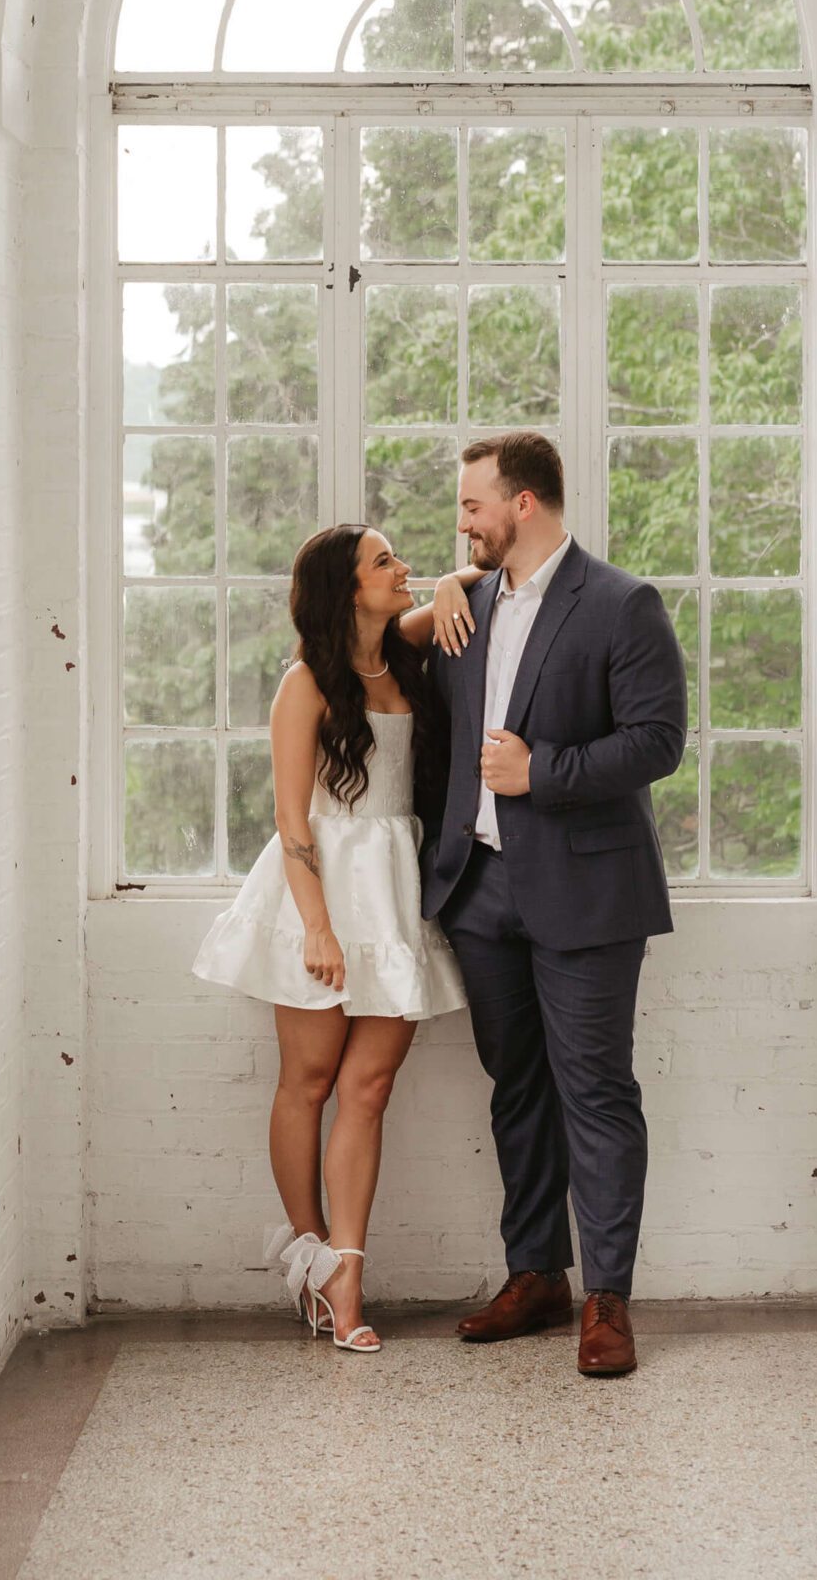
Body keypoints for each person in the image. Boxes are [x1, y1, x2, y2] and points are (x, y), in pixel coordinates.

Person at [421, 431, 687, 1378]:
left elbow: (658, 743)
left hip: (588, 892)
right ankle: (535, 1275)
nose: (464, 521)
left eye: (473, 505)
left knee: (597, 1093)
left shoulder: (622, 605)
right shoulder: (468, 605)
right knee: (518, 1089)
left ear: (523, 502)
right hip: (481, 892)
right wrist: (449, 583)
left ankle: (607, 1299)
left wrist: (545, 773)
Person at [192, 524, 475, 1352]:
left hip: (392, 886)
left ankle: (348, 1270)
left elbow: (470, 577)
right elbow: (290, 819)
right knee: (309, 1082)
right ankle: (313, 1264)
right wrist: (316, 927)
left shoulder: (405, 653)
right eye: (385, 562)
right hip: (316, 889)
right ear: (347, 588)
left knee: (369, 1087)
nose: (403, 571)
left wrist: (454, 585)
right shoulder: (305, 683)